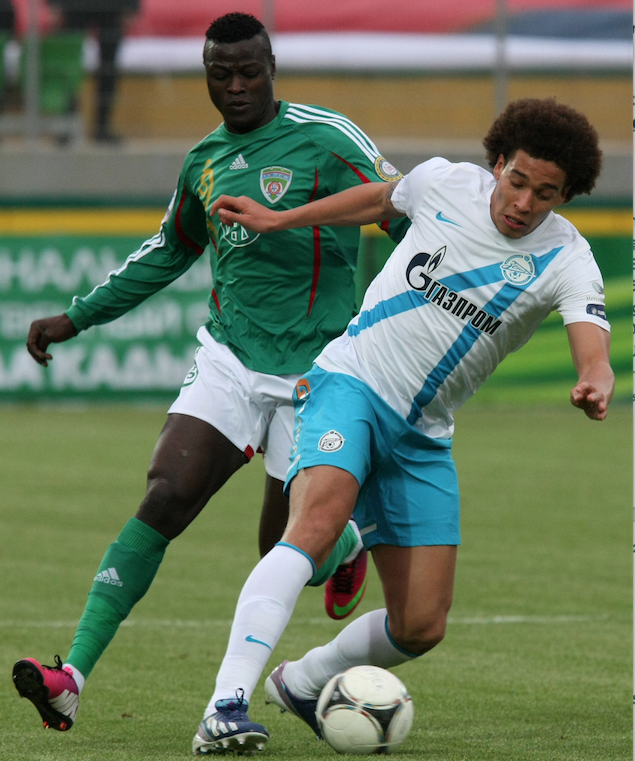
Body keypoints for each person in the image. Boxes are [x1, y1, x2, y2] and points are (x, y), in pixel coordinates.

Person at [12, 12, 409, 735]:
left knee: (282, 550)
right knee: (165, 494)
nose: (234, 87)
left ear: (271, 67)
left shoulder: (327, 137)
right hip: (230, 357)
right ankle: (71, 678)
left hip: (318, 373)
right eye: (219, 74)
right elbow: (169, 249)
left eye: (248, 72)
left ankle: (342, 546)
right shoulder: (204, 160)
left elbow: (403, 211)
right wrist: (77, 317)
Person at [189, 97, 613, 755]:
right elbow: (377, 199)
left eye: (546, 194)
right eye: (517, 181)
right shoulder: (444, 182)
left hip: (423, 436)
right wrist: (280, 218)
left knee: (421, 624)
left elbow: (591, 338)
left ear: (565, 197)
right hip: (349, 384)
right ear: (498, 163)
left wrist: (596, 375)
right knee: (314, 524)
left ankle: (301, 682)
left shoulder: (566, 257)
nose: (524, 202)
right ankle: (225, 704)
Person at [48, 0, 140, 142]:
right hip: (74, 6)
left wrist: (132, 5)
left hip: (112, 7)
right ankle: (69, 126)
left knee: (108, 69)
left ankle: (102, 127)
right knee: (69, 67)